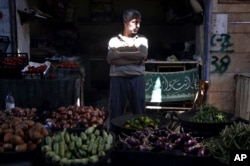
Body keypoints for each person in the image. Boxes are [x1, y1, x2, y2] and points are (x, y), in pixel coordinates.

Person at [107, 9, 148, 120]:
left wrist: (119, 54)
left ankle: (141, 136)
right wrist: (135, 60)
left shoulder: (142, 40)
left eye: (139, 22)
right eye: (134, 22)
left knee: (139, 113)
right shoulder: (114, 41)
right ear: (125, 21)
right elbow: (111, 59)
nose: (138, 25)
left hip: (137, 79)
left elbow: (142, 55)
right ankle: (115, 136)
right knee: (115, 112)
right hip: (118, 79)